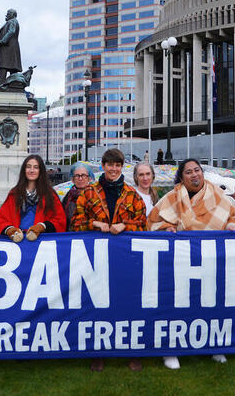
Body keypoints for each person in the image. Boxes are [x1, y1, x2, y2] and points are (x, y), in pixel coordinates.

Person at [148, 158, 235, 369]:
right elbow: (152, 221)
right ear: (181, 177)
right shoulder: (172, 197)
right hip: (180, 261)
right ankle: (170, 351)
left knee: (211, 303)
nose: (194, 175)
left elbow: (234, 216)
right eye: (188, 172)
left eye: (197, 170)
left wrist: (232, 225)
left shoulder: (216, 193)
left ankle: (214, 346)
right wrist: (167, 227)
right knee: (176, 305)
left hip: (211, 258)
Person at [72, 148, 145, 372]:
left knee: (127, 303)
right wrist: (95, 224)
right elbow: (75, 221)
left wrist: (125, 225)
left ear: (122, 167)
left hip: (125, 258)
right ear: (102, 166)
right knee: (97, 304)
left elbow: (143, 223)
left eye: (117, 165)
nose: (113, 169)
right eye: (109, 164)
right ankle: (98, 353)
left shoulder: (132, 194)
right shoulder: (89, 192)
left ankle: (131, 352)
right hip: (96, 256)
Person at [0, 155, 66, 241]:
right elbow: (1, 219)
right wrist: (10, 230)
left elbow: (60, 220)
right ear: (24, 170)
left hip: (41, 241)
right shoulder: (14, 193)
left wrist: (42, 226)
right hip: (18, 241)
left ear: (41, 171)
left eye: (36, 167)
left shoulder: (49, 194)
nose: (32, 170)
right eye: (28, 167)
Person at [0, 8, 21, 85]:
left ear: (13, 15)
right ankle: (13, 83)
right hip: (10, 47)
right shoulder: (12, 21)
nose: (6, 15)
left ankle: (0, 82)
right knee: (12, 66)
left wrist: (3, 41)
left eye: (8, 13)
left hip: (8, 47)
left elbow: (11, 31)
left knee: (4, 65)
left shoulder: (12, 21)